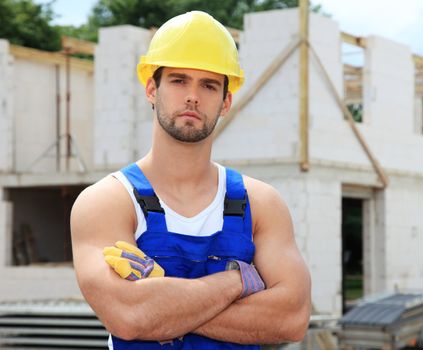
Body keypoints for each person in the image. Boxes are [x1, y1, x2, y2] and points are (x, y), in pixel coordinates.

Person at [71, 10, 311, 350]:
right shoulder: (107, 201)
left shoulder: (259, 204)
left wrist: (163, 305)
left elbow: (291, 319)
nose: (192, 96)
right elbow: (128, 315)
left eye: (209, 85)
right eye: (179, 80)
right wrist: (236, 282)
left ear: (226, 101)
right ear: (152, 89)